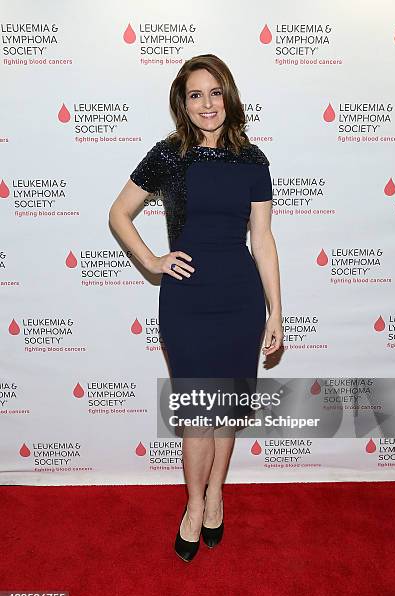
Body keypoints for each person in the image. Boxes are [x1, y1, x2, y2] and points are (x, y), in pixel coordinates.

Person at [109, 54, 283, 562]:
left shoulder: (254, 161)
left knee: (225, 411)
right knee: (195, 416)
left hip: (239, 298)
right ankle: (191, 505)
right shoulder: (169, 155)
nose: (207, 104)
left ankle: (214, 498)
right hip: (187, 300)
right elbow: (119, 213)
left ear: (228, 95)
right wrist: (153, 261)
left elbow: (264, 239)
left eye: (214, 92)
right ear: (182, 104)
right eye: (195, 95)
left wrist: (275, 311)